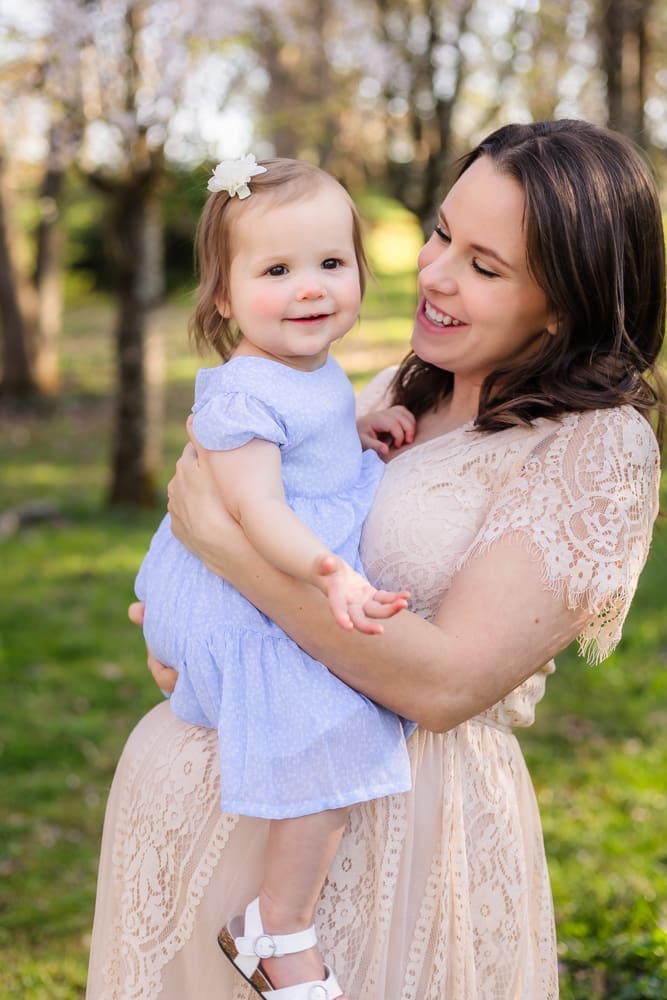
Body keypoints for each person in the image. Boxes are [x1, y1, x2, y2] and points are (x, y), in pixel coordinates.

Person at [86, 119, 665, 1000]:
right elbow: (233, 503)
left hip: (400, 833)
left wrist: (231, 559)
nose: (433, 274)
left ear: (563, 301)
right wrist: (187, 625)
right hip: (203, 800)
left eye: (483, 266)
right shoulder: (396, 388)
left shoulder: (593, 447)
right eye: (441, 234)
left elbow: (446, 684)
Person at [133, 155, 418, 1000]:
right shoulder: (241, 397)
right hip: (240, 581)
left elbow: (307, 445)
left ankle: (277, 922)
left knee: (346, 715)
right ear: (223, 296)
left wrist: (357, 427)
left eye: (330, 262)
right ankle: (275, 929)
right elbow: (256, 512)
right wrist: (328, 572)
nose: (310, 288)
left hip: (258, 567)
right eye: (276, 271)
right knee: (332, 726)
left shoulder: (309, 370)